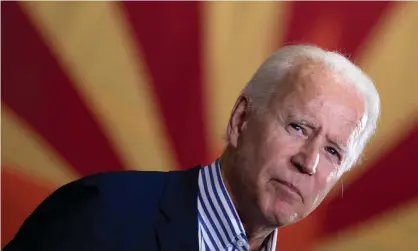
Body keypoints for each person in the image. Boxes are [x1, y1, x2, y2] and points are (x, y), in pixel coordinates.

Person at [4, 44, 380, 251]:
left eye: (333, 151)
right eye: (298, 127)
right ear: (241, 120)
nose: (309, 161)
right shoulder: (102, 215)